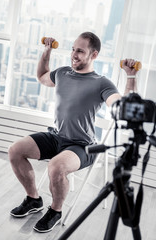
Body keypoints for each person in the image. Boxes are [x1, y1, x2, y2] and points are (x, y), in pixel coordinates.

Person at [9, 32, 138, 233]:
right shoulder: (62, 73)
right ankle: (34, 199)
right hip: (56, 136)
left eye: (80, 51)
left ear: (93, 55)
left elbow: (123, 108)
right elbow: (42, 77)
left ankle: (56, 210)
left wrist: (130, 76)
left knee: (56, 166)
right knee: (15, 150)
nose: (74, 55)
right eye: (72, 49)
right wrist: (47, 51)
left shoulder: (101, 83)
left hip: (82, 146)